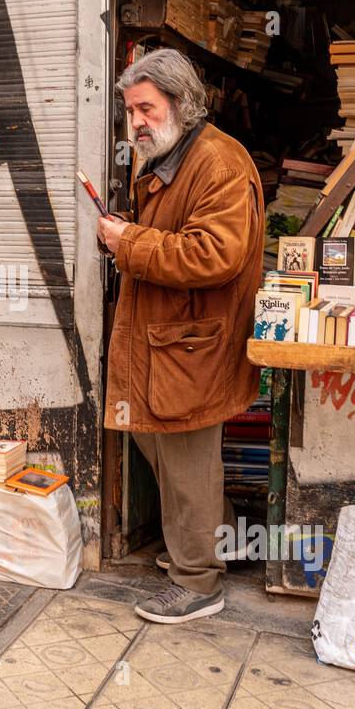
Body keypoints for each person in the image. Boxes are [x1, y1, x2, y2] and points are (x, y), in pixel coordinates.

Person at [97, 49, 264, 624]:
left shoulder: (219, 163)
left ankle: (198, 582)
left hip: (194, 345)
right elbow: (169, 235)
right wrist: (124, 236)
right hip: (167, 338)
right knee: (157, 442)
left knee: (185, 456)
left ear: (181, 103)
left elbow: (215, 254)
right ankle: (224, 539)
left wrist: (130, 245)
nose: (135, 122)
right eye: (130, 110)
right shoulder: (172, 154)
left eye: (145, 108)